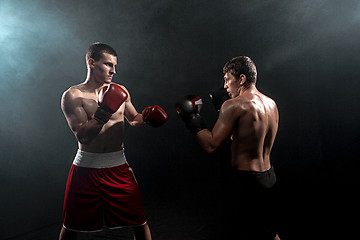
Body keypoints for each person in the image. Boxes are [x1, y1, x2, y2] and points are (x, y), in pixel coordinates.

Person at [59, 42, 167, 240]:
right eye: (108, 65)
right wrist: (104, 111)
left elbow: (134, 118)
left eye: (115, 66)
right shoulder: (73, 95)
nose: (113, 71)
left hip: (118, 166)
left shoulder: (120, 91)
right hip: (86, 168)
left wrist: (148, 117)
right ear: (92, 63)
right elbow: (83, 135)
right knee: (71, 226)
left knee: (139, 222)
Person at [176, 56, 280, 239]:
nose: (224, 86)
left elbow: (211, 145)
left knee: (237, 232)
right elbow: (240, 137)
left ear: (241, 79)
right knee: (268, 233)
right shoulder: (271, 104)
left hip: (246, 181)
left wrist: (193, 119)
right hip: (269, 177)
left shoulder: (233, 105)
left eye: (227, 79)